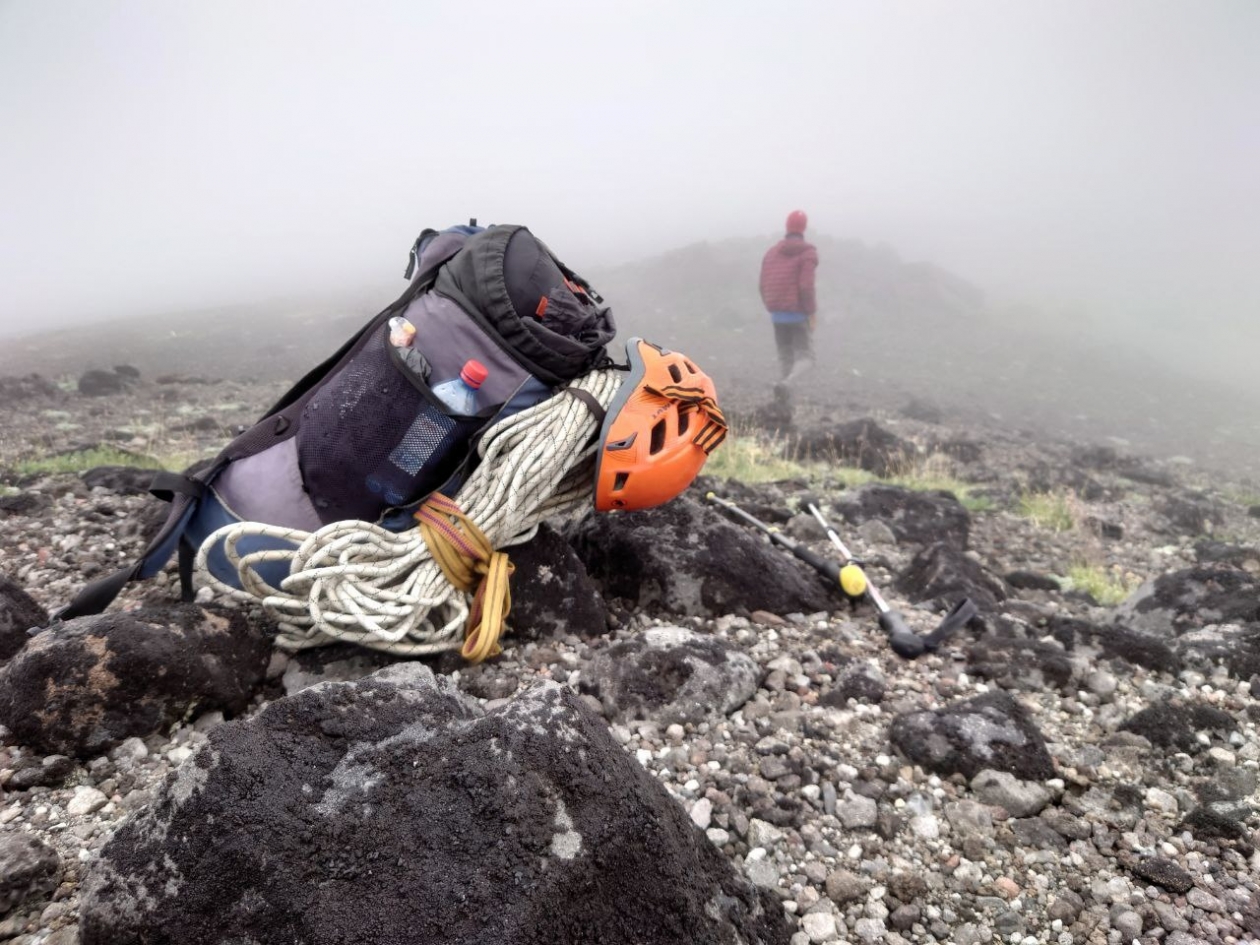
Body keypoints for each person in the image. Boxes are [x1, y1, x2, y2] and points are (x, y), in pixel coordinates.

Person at [759, 210, 818, 382]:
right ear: (803, 228)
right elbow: (806, 286)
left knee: (785, 356)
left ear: (787, 227)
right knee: (806, 358)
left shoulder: (771, 253)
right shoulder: (808, 254)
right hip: (798, 314)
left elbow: (762, 285)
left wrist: (772, 306)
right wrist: (811, 312)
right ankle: (787, 384)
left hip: (777, 315)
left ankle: (784, 400)